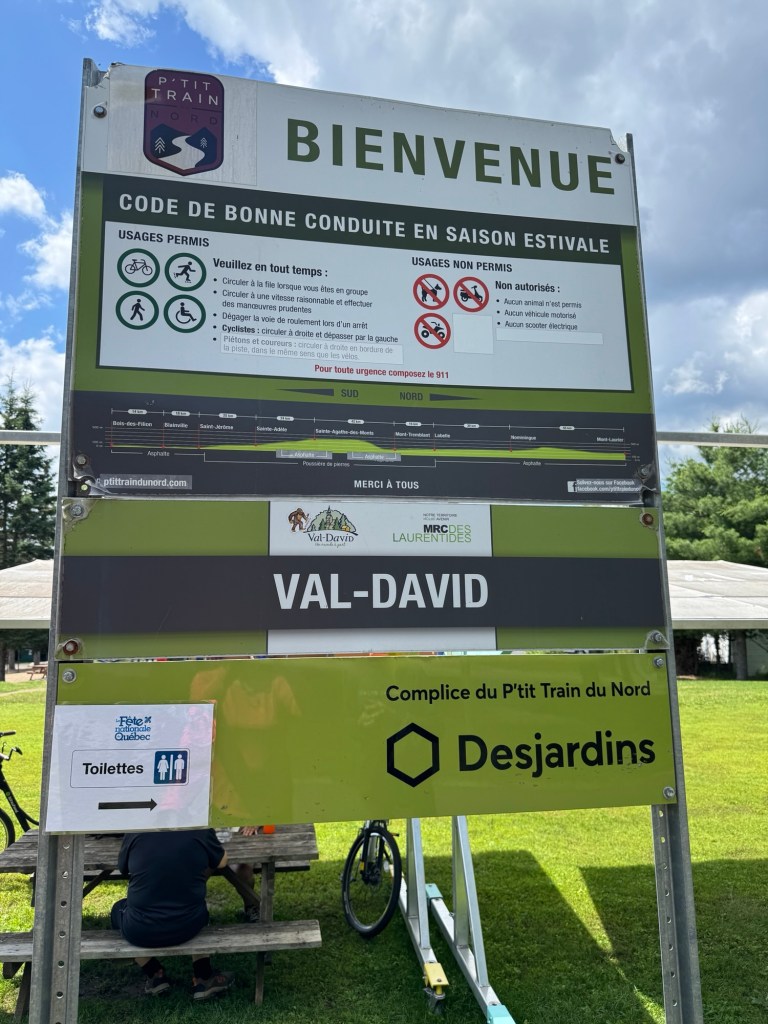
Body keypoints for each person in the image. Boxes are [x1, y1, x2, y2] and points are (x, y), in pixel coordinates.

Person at [111, 829, 235, 1000]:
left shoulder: (136, 829)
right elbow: (222, 862)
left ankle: (154, 973)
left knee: (117, 909)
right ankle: (204, 976)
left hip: (140, 929)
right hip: (189, 925)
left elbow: (122, 867)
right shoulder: (199, 828)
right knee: (199, 906)